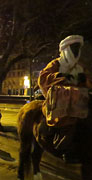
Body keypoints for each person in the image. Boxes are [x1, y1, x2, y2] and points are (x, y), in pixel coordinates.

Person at [37, 35, 88, 164]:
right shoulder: (56, 64)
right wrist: (62, 77)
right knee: (69, 118)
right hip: (59, 101)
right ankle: (64, 147)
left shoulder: (80, 67)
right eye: (73, 48)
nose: (76, 51)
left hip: (77, 100)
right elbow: (43, 78)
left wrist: (85, 81)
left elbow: (86, 83)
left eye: (78, 48)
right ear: (66, 49)